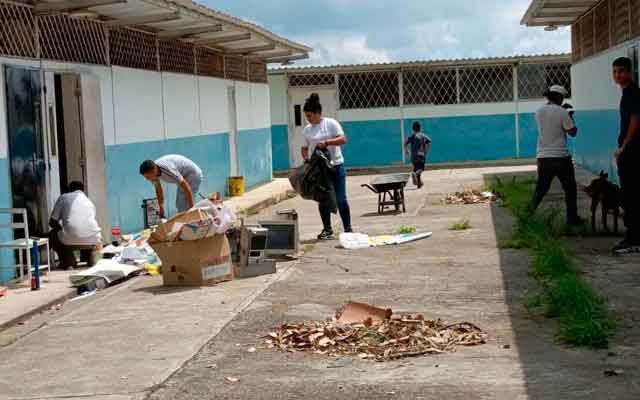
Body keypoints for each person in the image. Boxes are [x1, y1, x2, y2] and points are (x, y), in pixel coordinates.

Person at [530, 85, 584, 226]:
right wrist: (570, 116)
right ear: (559, 97)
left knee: (540, 189)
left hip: (543, 157)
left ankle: (527, 215)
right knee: (570, 188)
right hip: (561, 156)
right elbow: (572, 132)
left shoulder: (539, 111)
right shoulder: (562, 112)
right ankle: (572, 218)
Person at [301, 93, 352, 240]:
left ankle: (348, 228)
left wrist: (327, 143)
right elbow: (304, 147)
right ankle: (327, 229)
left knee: (340, 199)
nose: (308, 119)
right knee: (323, 199)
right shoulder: (307, 130)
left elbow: (343, 139)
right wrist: (306, 158)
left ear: (318, 113)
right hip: (320, 170)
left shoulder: (331, 123)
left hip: (336, 166)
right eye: (306, 116)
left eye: (310, 116)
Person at [612, 57, 640, 254]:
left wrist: (624, 147)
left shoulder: (633, 93)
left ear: (630, 72)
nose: (617, 75)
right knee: (629, 195)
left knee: (630, 195)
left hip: (633, 152)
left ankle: (633, 239)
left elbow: (635, 121)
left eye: (621, 71)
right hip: (628, 151)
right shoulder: (626, 93)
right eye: (614, 72)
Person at [49, 181, 102, 269]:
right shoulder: (89, 201)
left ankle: (68, 262)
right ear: (83, 190)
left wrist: (61, 230)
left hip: (69, 240)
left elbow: (52, 222)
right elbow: (87, 224)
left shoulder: (63, 197)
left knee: (53, 234)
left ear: (70, 189)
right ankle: (90, 259)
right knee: (87, 231)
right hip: (93, 239)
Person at [403, 121, 432, 188]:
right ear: (420, 128)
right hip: (420, 155)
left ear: (413, 129)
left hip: (413, 156)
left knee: (416, 168)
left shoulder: (412, 136)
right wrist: (426, 151)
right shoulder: (422, 135)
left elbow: (405, 143)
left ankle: (419, 184)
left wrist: (406, 151)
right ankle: (415, 174)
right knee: (421, 168)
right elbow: (429, 142)